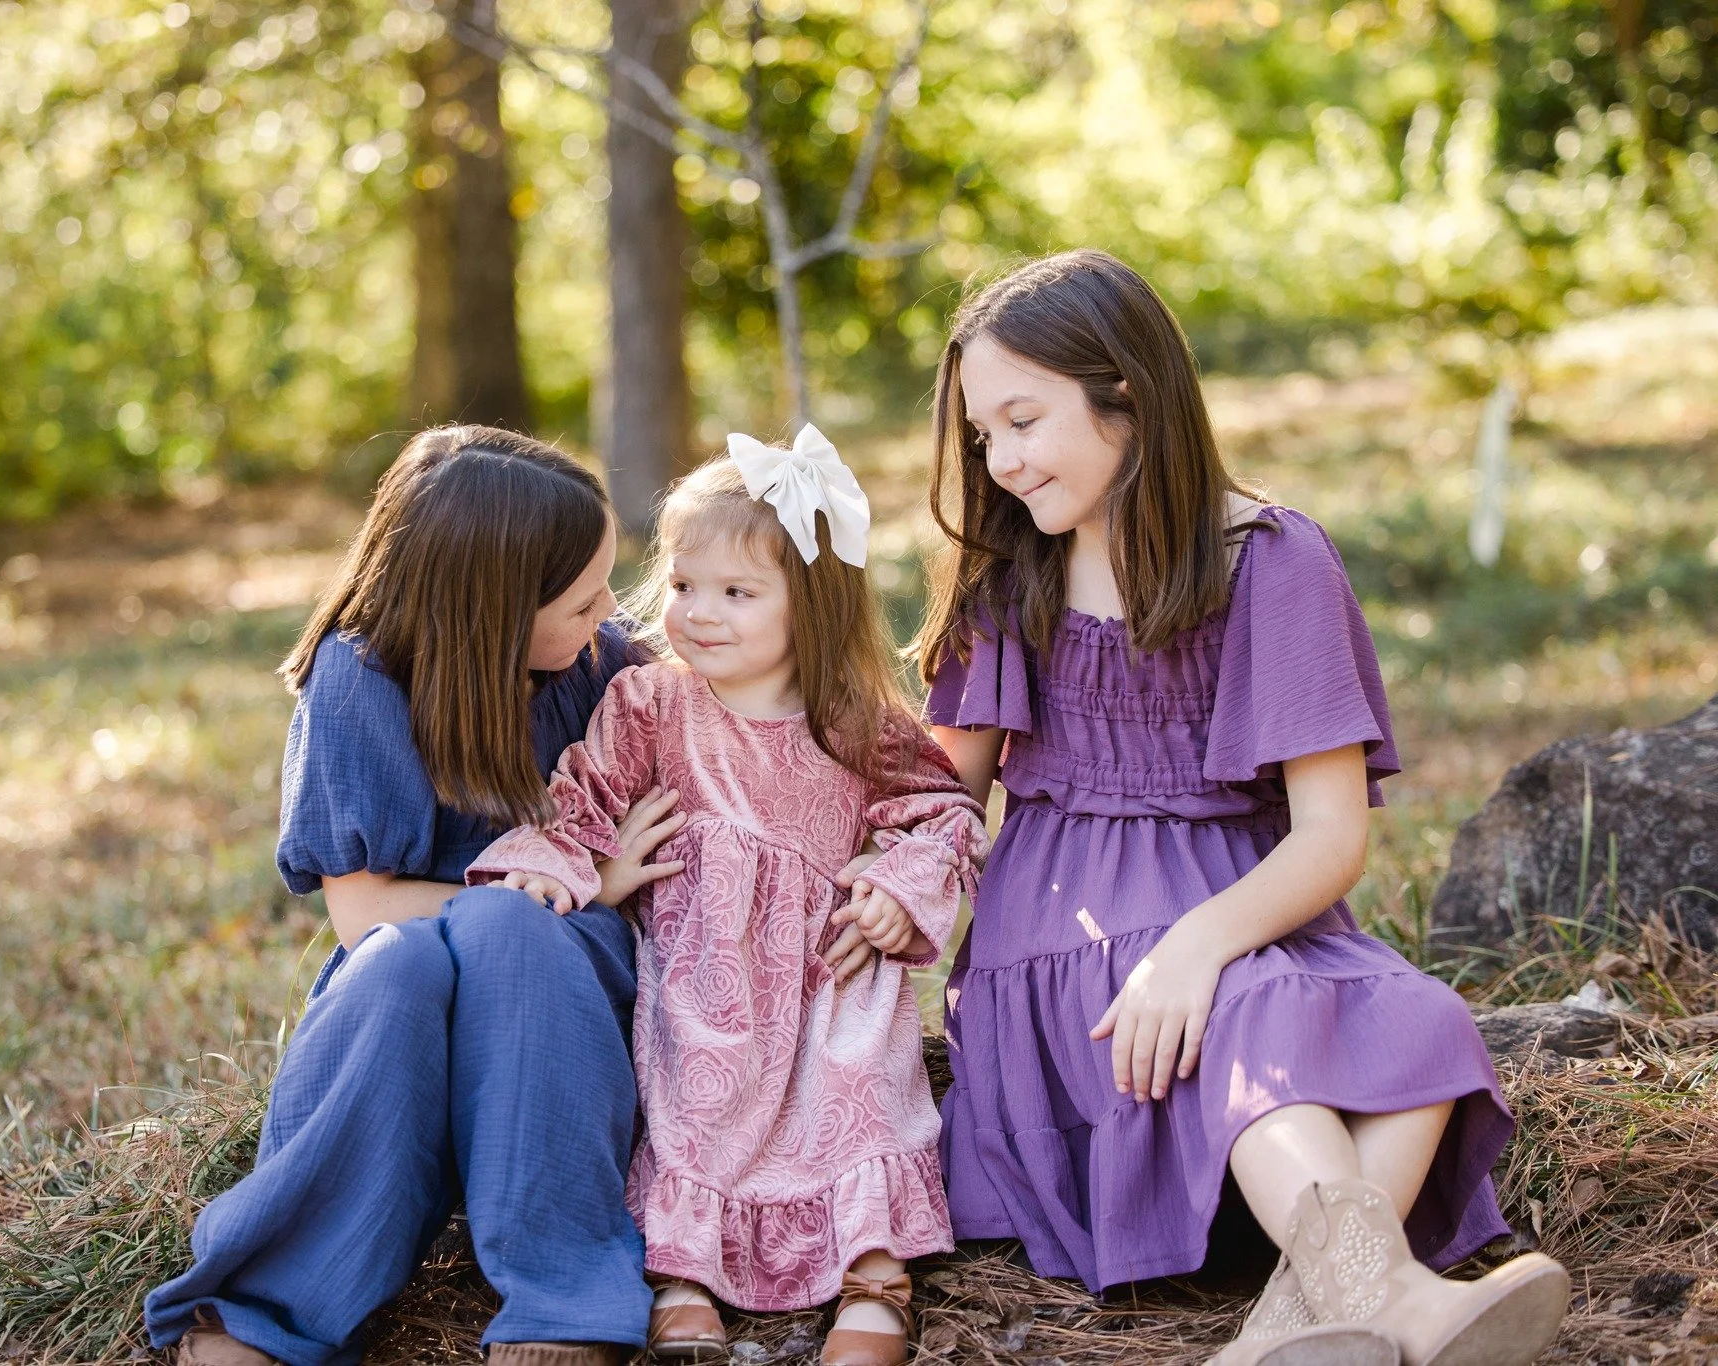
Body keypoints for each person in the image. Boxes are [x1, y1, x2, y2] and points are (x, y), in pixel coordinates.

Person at [912, 250, 1569, 1366]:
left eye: (1023, 419)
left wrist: (1198, 945)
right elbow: (936, 799)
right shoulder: (1007, 579)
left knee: (1421, 1024)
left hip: (1247, 914)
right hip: (1065, 942)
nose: (1002, 458)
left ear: (1125, 390)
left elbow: (1331, 833)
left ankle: (1297, 1331)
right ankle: (1402, 1306)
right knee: (1254, 1014)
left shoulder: (1271, 559)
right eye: (983, 434)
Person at [145, 425, 683, 1366]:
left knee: (514, 934)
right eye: (583, 595)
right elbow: (361, 913)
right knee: (394, 970)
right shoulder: (359, 680)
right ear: (495, 610)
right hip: (419, 972)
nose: (609, 610)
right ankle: (270, 1310)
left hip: (563, 984)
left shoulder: (603, 668)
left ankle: (561, 1300)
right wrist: (561, 879)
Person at [468, 435, 988, 1366]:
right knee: (687, 1100)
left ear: (813, 604)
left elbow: (945, 809)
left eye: (736, 594)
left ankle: (874, 1275)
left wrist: (892, 889)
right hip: (707, 979)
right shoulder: (650, 704)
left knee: (865, 1087)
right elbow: (584, 796)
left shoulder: (854, 717)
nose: (698, 614)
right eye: (682, 585)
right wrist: (554, 863)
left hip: (829, 972)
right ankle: (685, 1277)